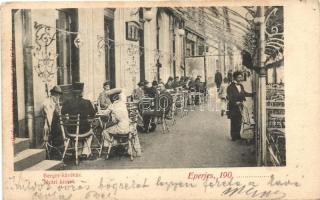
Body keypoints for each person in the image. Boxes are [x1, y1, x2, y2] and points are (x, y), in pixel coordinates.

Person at [61, 82, 96, 160]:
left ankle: (78, 151)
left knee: (79, 131)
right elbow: (93, 114)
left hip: (71, 131)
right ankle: (85, 152)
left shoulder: (67, 102)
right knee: (90, 132)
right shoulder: (87, 102)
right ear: (82, 92)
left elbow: (62, 113)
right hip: (84, 130)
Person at [102, 89, 141, 157]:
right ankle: (137, 151)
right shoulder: (123, 104)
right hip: (128, 128)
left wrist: (100, 112)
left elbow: (105, 114)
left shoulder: (112, 106)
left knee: (104, 131)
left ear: (112, 98)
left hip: (120, 129)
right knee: (134, 131)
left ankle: (110, 146)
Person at [227, 71, 254, 141]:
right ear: (235, 78)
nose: (241, 78)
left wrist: (252, 94)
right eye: (239, 77)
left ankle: (238, 135)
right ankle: (233, 136)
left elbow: (244, 93)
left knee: (239, 120)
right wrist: (236, 102)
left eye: (241, 77)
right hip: (233, 106)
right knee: (234, 121)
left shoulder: (241, 86)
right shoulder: (230, 87)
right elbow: (230, 97)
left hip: (240, 106)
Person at [42, 85, 63, 157]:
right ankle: (58, 150)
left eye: (59, 96)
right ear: (54, 95)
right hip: (52, 126)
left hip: (56, 124)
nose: (58, 97)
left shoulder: (54, 102)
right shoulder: (48, 102)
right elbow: (50, 116)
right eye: (57, 95)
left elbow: (59, 113)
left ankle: (60, 149)